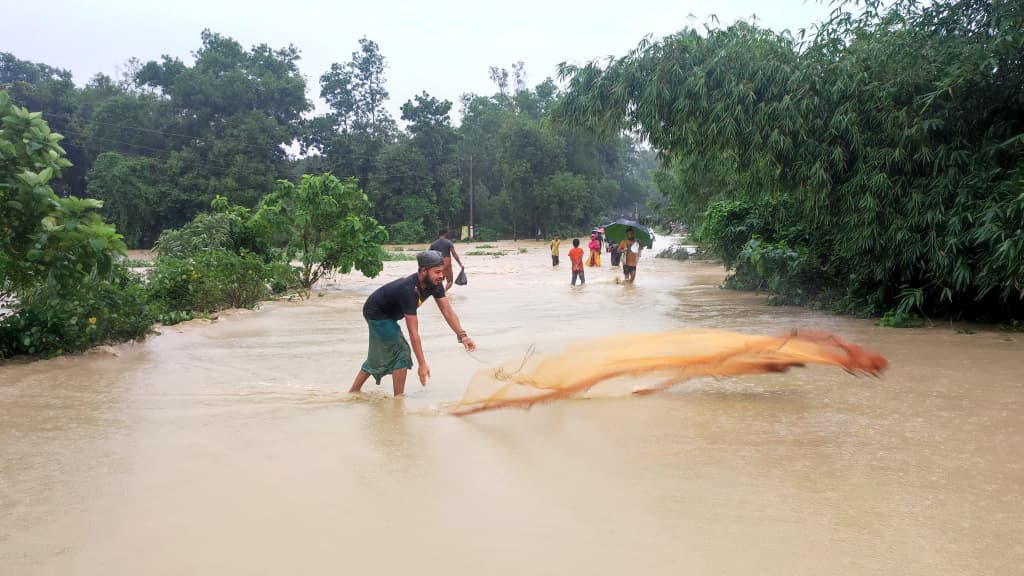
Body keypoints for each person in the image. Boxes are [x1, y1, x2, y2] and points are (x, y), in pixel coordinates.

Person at [349, 250, 476, 396]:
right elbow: (413, 332)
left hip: (387, 314)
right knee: (402, 353)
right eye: (437, 272)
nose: (442, 276)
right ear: (423, 271)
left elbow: (448, 312)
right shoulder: (409, 290)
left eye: (443, 271)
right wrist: (422, 364)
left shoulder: (435, 284)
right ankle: (398, 399)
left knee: (377, 357)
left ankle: (353, 392)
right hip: (377, 313)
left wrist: (463, 335)